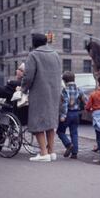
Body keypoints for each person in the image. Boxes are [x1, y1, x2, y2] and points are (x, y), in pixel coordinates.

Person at [21, 33, 61, 162]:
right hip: (54, 93)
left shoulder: (34, 55)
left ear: (34, 43)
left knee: (37, 121)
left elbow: (28, 76)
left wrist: (23, 89)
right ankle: (51, 151)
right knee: (50, 122)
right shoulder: (55, 54)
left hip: (39, 93)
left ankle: (43, 153)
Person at [56, 71, 87, 159]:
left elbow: (65, 103)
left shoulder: (65, 90)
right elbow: (85, 100)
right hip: (76, 114)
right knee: (74, 133)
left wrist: (63, 116)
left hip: (67, 114)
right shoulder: (78, 89)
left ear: (64, 81)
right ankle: (74, 153)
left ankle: (68, 144)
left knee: (60, 131)